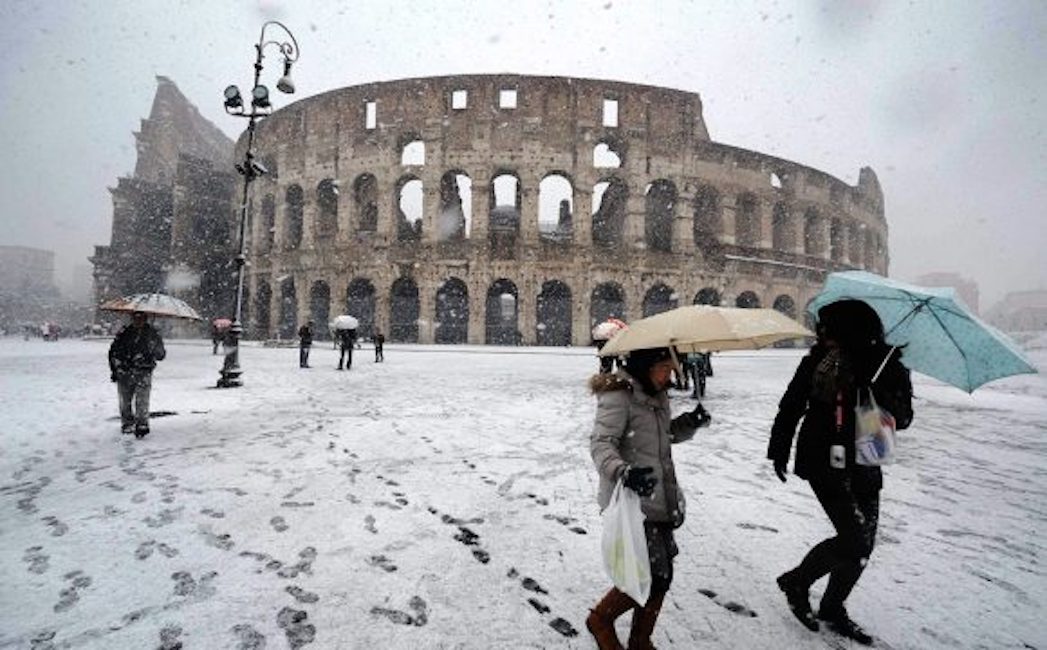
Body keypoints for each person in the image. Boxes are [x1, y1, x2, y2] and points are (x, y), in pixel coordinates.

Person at [767, 300, 913, 645]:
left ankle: (832, 607)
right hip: (823, 457)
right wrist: (779, 449)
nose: (821, 334)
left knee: (863, 546)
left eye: (828, 327)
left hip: (868, 454)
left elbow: (904, 418)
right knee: (854, 539)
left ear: (850, 330)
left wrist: (878, 395)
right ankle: (797, 582)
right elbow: (791, 405)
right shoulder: (818, 362)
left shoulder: (888, 365)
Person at [587, 346, 712, 649]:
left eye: (671, 368)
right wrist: (623, 471)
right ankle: (600, 619)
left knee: (662, 573)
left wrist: (689, 423)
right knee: (651, 573)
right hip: (633, 500)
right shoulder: (620, 395)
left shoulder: (657, 394)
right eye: (665, 368)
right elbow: (601, 444)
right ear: (646, 365)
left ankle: (640, 638)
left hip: (659, 495)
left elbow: (662, 435)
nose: (670, 375)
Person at [108, 311, 166, 438]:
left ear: (145, 319)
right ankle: (127, 423)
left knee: (142, 400)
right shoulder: (124, 333)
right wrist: (115, 369)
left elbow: (161, 355)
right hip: (125, 372)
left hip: (143, 372)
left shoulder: (152, 335)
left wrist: (154, 347)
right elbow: (113, 352)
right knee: (125, 401)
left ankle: (142, 424)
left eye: (141, 318)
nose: (138, 321)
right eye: (136, 318)